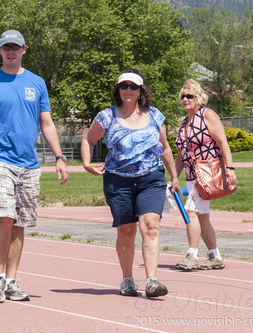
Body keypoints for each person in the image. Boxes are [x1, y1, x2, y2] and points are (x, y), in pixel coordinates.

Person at [0, 30, 68, 303]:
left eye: (15, 48)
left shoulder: (37, 83)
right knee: (5, 217)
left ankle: (11, 281)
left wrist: (60, 157)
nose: (10, 52)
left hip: (29, 164)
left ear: (24, 50)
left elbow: (47, 123)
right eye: (6, 47)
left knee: (19, 223)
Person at [81, 69, 179, 298]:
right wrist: (86, 163)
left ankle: (152, 280)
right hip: (118, 180)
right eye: (124, 85)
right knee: (126, 231)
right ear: (117, 90)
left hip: (151, 178)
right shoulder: (107, 117)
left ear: (140, 91)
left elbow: (164, 148)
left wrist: (174, 177)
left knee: (151, 225)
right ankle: (127, 279)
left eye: (133, 86)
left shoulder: (155, 115)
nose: (128, 90)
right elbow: (89, 139)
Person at [174, 79, 236, 271]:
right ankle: (214, 255)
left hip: (208, 172)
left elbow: (222, 142)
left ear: (199, 98)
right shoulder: (184, 122)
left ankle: (192, 255)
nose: (185, 99)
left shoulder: (207, 115)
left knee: (191, 212)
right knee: (202, 216)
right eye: (183, 96)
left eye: (189, 96)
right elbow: (181, 154)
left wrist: (230, 168)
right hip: (193, 176)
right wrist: (174, 178)